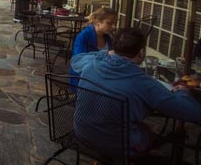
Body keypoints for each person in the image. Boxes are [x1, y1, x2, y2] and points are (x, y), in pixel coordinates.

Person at [71, 27, 201, 159]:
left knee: (143, 126)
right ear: (141, 52)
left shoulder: (91, 65)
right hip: (118, 147)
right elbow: (194, 113)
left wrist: (106, 54)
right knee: (152, 131)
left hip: (81, 134)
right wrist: (183, 92)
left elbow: (75, 60)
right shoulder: (143, 83)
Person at [69, 7, 117, 85]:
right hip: (83, 80)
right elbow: (78, 62)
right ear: (97, 22)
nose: (114, 27)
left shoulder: (109, 37)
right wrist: (106, 54)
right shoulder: (83, 36)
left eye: (115, 23)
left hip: (103, 77)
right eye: (110, 23)